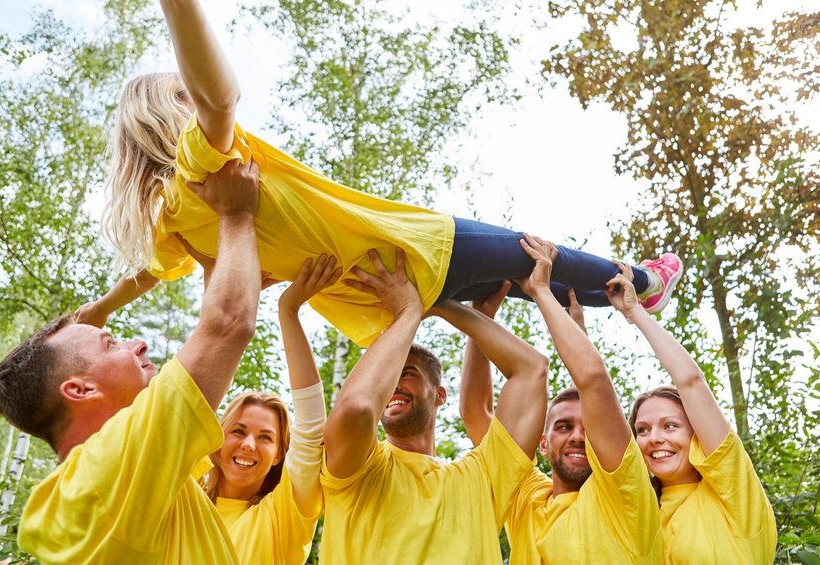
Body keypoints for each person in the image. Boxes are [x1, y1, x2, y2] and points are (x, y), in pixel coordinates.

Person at [76, 0, 683, 347]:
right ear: (171, 113)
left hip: (388, 298)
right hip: (414, 245)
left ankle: (605, 296)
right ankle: (639, 281)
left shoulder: (174, 222)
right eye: (185, 97)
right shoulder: (203, 165)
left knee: (527, 284)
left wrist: (98, 313)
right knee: (534, 253)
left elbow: (145, 277)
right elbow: (220, 98)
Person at [0, 159, 261, 563]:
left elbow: (214, 341)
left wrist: (221, 261)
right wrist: (236, 213)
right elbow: (227, 323)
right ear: (80, 389)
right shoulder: (108, 472)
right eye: (112, 344)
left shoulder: (130, 477)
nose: (139, 345)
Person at [318, 247, 547, 564]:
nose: (394, 384)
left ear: (439, 395)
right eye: (389, 377)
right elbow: (356, 407)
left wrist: (444, 306)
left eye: (408, 374)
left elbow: (532, 369)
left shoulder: (480, 478)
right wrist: (408, 312)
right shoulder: (361, 466)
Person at [460, 234, 663, 563]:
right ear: (543, 443)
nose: (578, 437)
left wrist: (541, 290)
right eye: (564, 427)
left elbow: (593, 381)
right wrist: (482, 316)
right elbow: (476, 413)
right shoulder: (527, 497)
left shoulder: (623, 494)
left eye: (587, 428)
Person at [612, 263, 777, 563]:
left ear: (697, 435)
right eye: (643, 430)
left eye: (670, 425)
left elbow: (690, 383)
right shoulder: (642, 517)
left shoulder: (735, 494)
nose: (655, 438)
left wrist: (635, 312)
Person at [198, 255, 336, 564]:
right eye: (238, 430)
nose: (248, 444)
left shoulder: (285, 513)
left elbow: (313, 426)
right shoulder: (185, 501)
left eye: (265, 437)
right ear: (216, 438)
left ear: (278, 455)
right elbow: (192, 392)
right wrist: (216, 280)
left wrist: (288, 311)